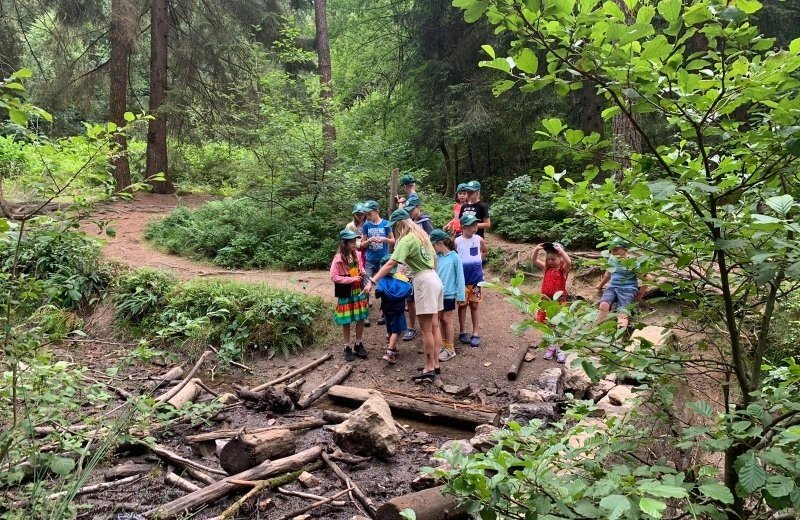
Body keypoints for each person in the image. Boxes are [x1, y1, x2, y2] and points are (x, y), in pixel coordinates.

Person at [364, 209, 443, 382]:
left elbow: (390, 263)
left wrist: (372, 281)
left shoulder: (406, 239)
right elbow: (435, 260)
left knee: (426, 329)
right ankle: (435, 364)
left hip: (424, 280)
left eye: (395, 226)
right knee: (435, 326)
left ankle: (429, 367)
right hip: (435, 279)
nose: (395, 229)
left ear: (400, 225)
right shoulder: (423, 236)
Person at [329, 229, 369, 362]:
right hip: (346, 293)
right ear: (344, 243)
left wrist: (362, 272)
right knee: (346, 320)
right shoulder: (338, 259)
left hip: (358, 291)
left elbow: (360, 267)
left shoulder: (357, 254)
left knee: (361, 318)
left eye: (354, 241)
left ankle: (358, 344)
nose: (354, 244)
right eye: (351, 242)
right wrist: (351, 279)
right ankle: (347, 347)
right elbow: (333, 276)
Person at [531, 242, 572, 362]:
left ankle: (560, 349)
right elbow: (534, 260)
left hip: (558, 302)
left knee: (558, 325)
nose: (550, 262)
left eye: (553, 259)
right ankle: (551, 346)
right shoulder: (546, 269)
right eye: (548, 259)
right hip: (546, 301)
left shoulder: (562, 270)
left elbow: (569, 262)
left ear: (560, 258)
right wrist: (536, 249)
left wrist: (561, 251)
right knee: (548, 325)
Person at [430, 229, 465, 362]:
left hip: (449, 293)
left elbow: (460, 277)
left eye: (433, 245)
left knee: (446, 319)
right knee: (439, 318)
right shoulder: (437, 257)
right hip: (437, 293)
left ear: (440, 243)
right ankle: (443, 344)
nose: (432, 248)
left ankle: (450, 348)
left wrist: (461, 296)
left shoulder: (454, 257)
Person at [360, 200, 395, 327]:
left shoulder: (386, 224)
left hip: (382, 260)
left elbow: (393, 240)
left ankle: (384, 313)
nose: (367, 216)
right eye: (366, 214)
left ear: (377, 211)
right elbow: (362, 244)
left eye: (369, 213)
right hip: (369, 260)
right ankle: (365, 315)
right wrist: (369, 241)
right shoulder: (366, 225)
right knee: (366, 286)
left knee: (383, 287)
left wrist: (385, 239)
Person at [375, 255, 413, 364]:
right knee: (397, 331)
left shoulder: (382, 280)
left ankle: (391, 341)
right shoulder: (401, 279)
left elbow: (377, 293)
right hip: (398, 309)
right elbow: (408, 292)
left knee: (391, 328)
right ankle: (389, 352)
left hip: (386, 309)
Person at [596, 239, 643, 328]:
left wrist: (640, 294)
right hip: (613, 287)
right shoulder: (612, 259)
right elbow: (608, 273)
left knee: (623, 312)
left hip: (628, 289)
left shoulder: (633, 262)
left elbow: (648, 278)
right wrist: (600, 285)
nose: (613, 252)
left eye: (616, 249)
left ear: (625, 250)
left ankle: (620, 334)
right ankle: (599, 329)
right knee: (604, 304)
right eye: (611, 250)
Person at [456, 215, 487, 348]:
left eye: (475, 225)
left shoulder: (479, 239)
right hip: (462, 280)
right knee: (462, 305)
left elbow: (484, 251)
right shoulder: (457, 242)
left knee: (474, 305)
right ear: (463, 226)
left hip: (476, 280)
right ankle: (462, 331)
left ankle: (475, 332)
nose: (474, 228)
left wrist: (477, 261)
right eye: (471, 225)